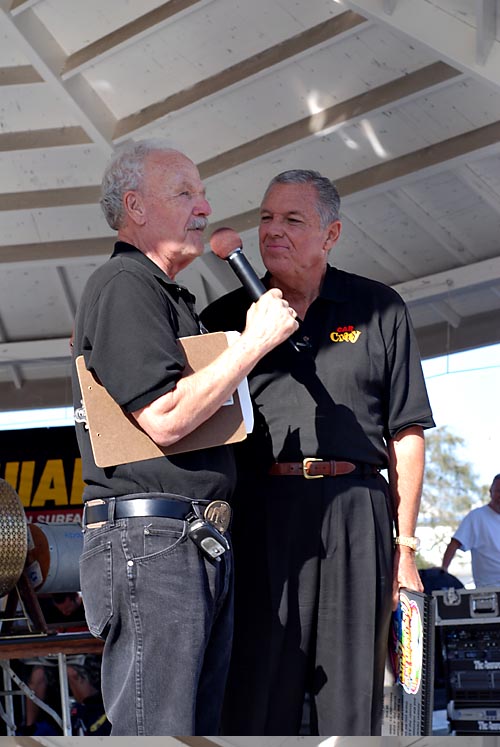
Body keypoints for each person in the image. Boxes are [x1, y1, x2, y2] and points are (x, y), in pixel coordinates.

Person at [70, 139, 298, 736]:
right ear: (135, 207)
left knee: (190, 732)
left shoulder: (164, 294)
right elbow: (165, 417)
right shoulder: (124, 284)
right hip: (155, 543)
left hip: (184, 539)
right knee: (159, 733)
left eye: (202, 193)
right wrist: (252, 344)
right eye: (186, 193)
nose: (205, 206)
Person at [201, 169, 435, 736]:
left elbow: (406, 434)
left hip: (357, 512)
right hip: (260, 513)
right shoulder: (223, 320)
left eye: (292, 220)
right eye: (265, 218)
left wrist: (404, 549)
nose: (271, 231)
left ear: (331, 235)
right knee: (258, 687)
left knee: (351, 691)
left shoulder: (379, 307)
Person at [441, 474, 500, 587]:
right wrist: (444, 569)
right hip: (490, 589)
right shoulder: (476, 517)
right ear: (490, 491)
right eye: (499, 491)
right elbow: (455, 543)